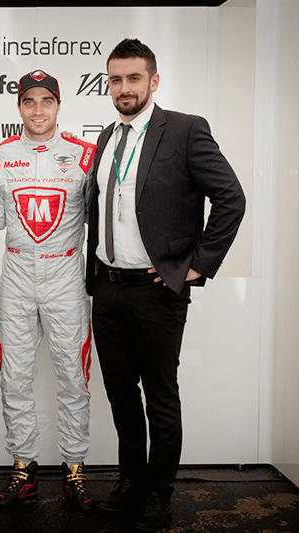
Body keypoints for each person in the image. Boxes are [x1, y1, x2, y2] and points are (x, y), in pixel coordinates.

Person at [86, 38, 246, 530]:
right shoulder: (107, 138)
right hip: (107, 287)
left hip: (157, 290)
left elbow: (231, 198)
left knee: (160, 396)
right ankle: (131, 481)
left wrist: (197, 264)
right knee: (120, 393)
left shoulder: (184, 130)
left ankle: (159, 491)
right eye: (116, 79)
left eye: (134, 78)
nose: (124, 87)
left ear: (154, 81)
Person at [0, 70, 97, 513]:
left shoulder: (85, 155)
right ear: (19, 107)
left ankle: (75, 470)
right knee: (14, 378)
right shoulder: (0, 156)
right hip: (18, 276)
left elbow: (106, 217)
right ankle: (23, 469)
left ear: (59, 105)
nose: (38, 109)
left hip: (65, 275)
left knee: (74, 378)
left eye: (47, 101)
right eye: (30, 101)